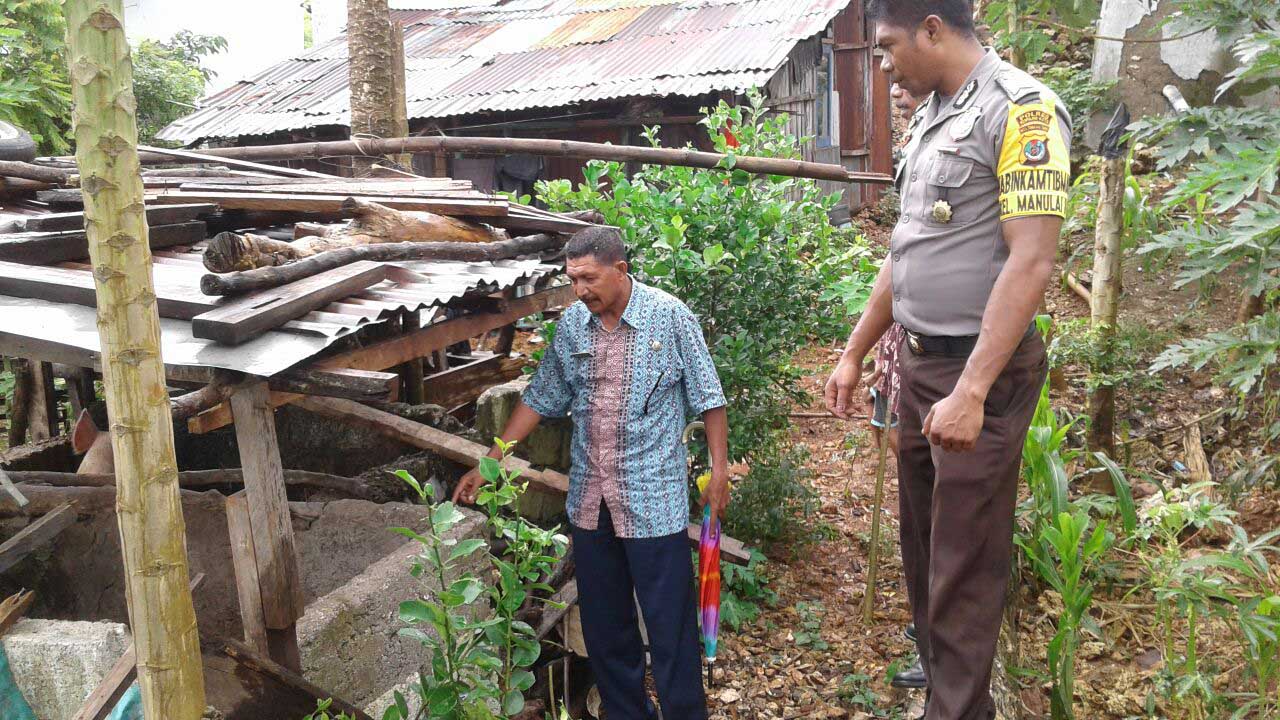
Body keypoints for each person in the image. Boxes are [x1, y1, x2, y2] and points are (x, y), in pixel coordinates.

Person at [826, 1, 1071, 718]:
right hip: (922, 365)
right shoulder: (934, 114)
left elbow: (1031, 260)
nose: (882, 61)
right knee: (926, 548)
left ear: (933, 28)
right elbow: (907, 253)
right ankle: (945, 697)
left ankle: (957, 710)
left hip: (977, 377)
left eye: (889, 44)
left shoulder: (1022, 111)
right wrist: (853, 351)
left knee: (964, 562)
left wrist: (971, 391)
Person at [453, 226, 730, 720]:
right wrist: (489, 461)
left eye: (588, 278)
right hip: (590, 503)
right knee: (606, 631)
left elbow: (709, 397)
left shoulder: (669, 317)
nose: (579, 290)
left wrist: (719, 470)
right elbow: (539, 397)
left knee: (670, 630)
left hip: (653, 501)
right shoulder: (574, 329)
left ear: (620, 270)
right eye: (572, 280)